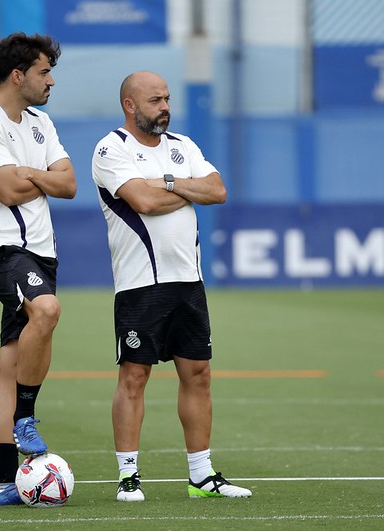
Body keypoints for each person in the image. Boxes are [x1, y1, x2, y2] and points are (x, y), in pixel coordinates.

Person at [91, 71, 252, 501]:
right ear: (130, 105)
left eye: (167, 98)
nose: (165, 106)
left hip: (189, 282)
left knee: (198, 374)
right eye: (155, 100)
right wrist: (185, 191)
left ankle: (201, 475)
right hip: (140, 285)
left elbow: (216, 190)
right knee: (135, 376)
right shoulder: (110, 149)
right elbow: (140, 203)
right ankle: (128, 477)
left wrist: (167, 183)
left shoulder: (183, 147)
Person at [0, 32, 76, 506]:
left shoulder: (41, 123)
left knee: (9, 367)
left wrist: (26, 174)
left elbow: (68, 185)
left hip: (40, 252)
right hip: (0, 251)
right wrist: (33, 178)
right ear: (17, 75)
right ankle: (26, 418)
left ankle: (5, 482)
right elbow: (5, 192)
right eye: (45, 72)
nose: (51, 81)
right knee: (46, 310)